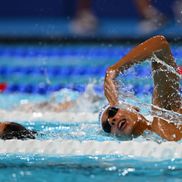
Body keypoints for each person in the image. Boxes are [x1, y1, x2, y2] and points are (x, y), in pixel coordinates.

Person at [99, 35, 182, 141]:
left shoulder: (164, 115)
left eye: (112, 112)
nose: (111, 121)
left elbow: (160, 44)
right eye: (107, 126)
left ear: (132, 108)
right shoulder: (149, 152)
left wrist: (113, 70)